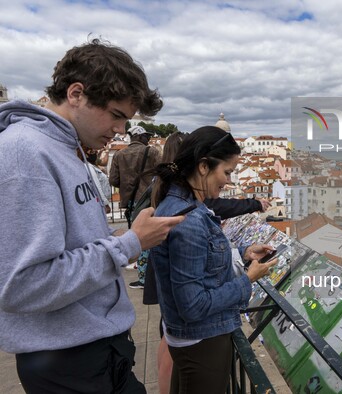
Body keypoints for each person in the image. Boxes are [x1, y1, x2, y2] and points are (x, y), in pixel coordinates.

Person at [0, 38, 185, 393]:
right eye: (117, 115)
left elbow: (66, 249)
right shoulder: (24, 153)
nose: (121, 130)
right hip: (67, 359)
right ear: (76, 94)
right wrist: (130, 243)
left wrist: (116, 241)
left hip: (92, 346)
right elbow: (23, 285)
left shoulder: (67, 149)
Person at [150, 126, 277, 393]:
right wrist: (248, 280)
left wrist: (243, 253)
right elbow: (193, 306)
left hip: (191, 340)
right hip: (201, 341)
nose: (229, 181)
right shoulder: (189, 219)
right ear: (204, 166)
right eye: (227, 172)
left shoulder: (181, 204)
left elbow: (197, 261)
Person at [110, 124, 161, 288]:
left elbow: (113, 180)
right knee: (154, 236)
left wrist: (127, 184)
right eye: (146, 136)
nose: (148, 139)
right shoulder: (152, 152)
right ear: (138, 137)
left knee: (137, 237)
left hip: (131, 202)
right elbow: (163, 172)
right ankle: (151, 278)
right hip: (149, 201)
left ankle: (143, 276)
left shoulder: (119, 155)